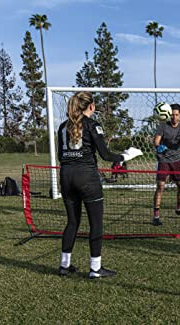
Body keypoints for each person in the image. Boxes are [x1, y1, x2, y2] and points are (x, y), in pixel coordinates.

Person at [57, 91, 142, 278]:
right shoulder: (92, 125)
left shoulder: (63, 127)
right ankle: (95, 268)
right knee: (96, 223)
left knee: (72, 222)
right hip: (86, 177)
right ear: (91, 106)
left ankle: (64, 266)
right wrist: (126, 155)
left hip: (66, 176)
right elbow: (105, 155)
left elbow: (60, 156)